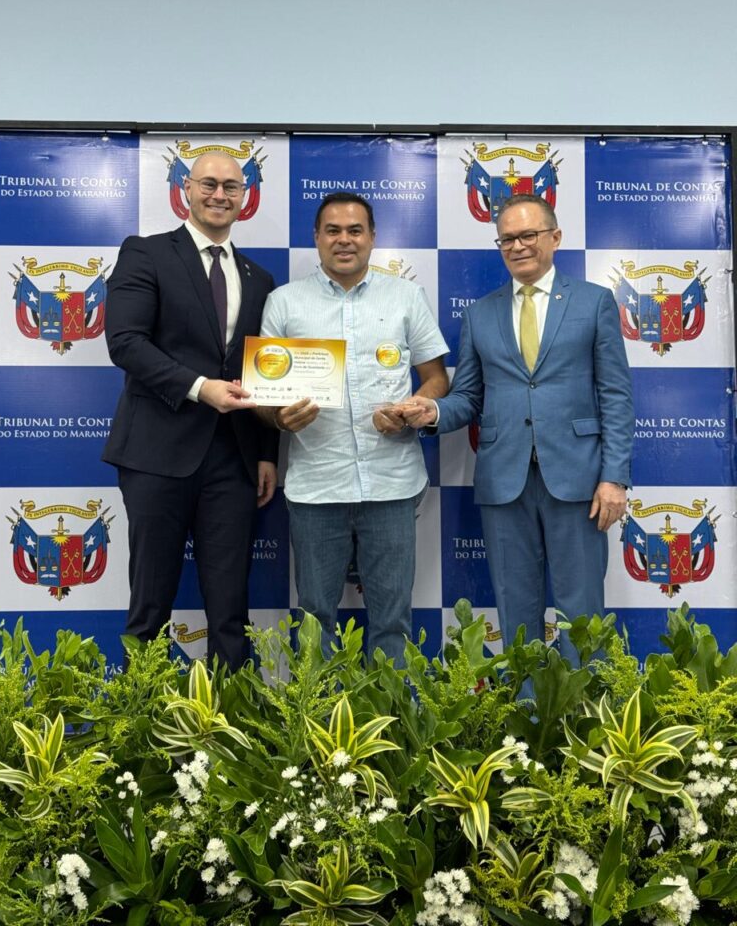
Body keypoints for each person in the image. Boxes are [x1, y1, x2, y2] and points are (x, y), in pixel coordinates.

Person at [399, 194, 633, 666]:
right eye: (507, 239)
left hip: (579, 480)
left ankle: (586, 706)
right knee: (515, 612)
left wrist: (614, 478)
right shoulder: (480, 313)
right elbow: (468, 398)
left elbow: (616, 395)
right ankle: (526, 708)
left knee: (582, 614)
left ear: (555, 237)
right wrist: (432, 412)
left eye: (528, 235)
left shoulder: (595, 302)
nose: (518, 246)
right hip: (504, 481)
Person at [103, 152, 278, 669]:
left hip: (234, 460)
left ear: (244, 197)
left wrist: (267, 453)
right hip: (156, 453)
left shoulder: (260, 278)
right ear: (186, 189)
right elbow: (125, 342)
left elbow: (265, 373)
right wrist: (201, 388)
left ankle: (229, 716)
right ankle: (140, 714)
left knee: (230, 612)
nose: (219, 195)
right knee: (150, 606)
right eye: (209, 184)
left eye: (231, 186)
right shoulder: (146, 253)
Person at [258, 191, 449, 664]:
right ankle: (320, 711)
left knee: (392, 620)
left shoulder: (406, 296)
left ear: (372, 237)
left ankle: (391, 711)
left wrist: (412, 407)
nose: (344, 240)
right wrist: (279, 417)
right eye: (333, 231)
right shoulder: (284, 302)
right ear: (316, 237)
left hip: (392, 483)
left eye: (355, 230)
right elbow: (263, 395)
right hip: (317, 486)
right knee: (314, 620)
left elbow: (437, 378)